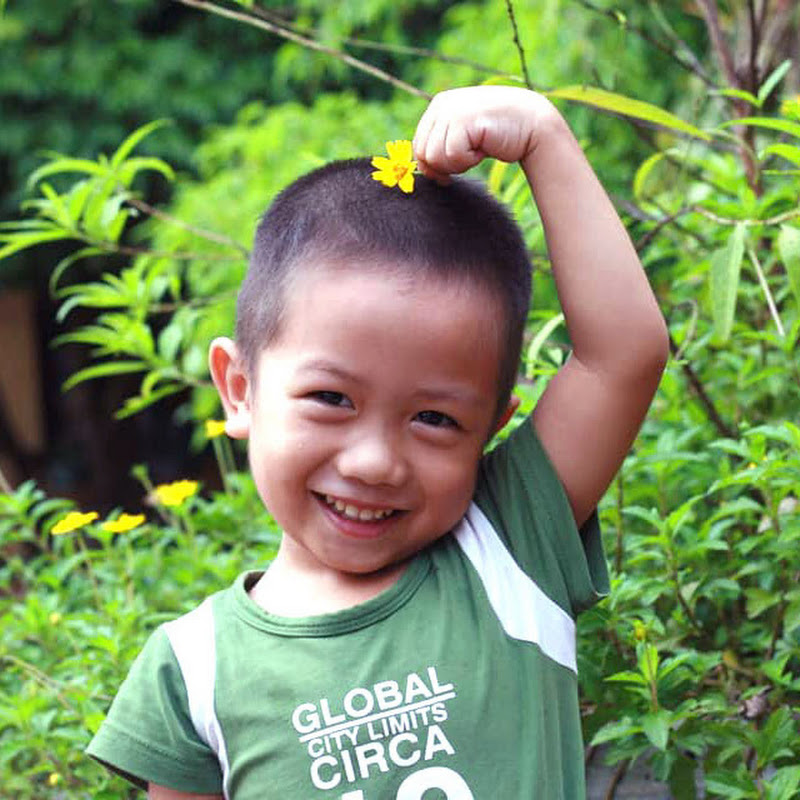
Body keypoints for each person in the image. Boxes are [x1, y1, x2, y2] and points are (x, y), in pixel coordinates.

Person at [87, 85, 668, 799]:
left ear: (491, 427)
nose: (373, 462)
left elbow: (623, 355)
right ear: (239, 388)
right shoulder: (194, 670)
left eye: (435, 420)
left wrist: (544, 138)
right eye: (331, 399)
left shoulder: (509, 542)